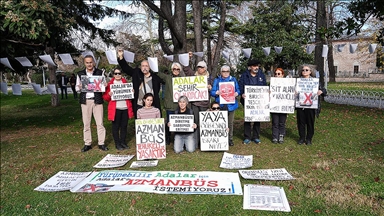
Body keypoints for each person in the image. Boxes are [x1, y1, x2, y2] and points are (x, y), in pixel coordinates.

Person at [117, 49, 162, 118]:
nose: (144, 68)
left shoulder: (155, 77)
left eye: (146, 66)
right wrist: (121, 57)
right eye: (143, 66)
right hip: (139, 104)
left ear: (149, 67)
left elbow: (159, 87)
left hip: (152, 105)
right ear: (140, 67)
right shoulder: (136, 73)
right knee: (140, 124)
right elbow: (126, 68)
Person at [76, 55, 108, 152]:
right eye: (87, 62)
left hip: (97, 100)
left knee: (100, 123)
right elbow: (77, 89)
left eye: (91, 62)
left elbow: (104, 86)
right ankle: (87, 143)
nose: (89, 64)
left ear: (93, 62)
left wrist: (105, 86)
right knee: (86, 123)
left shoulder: (99, 72)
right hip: (85, 101)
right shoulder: (80, 74)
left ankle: (101, 143)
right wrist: (80, 87)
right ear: (84, 63)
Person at [183, 54, 213, 148]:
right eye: (198, 67)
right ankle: (196, 142)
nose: (200, 69)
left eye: (202, 67)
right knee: (195, 123)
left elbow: (213, 88)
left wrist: (210, 87)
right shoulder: (193, 75)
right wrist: (188, 58)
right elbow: (186, 69)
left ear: (205, 68)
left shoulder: (209, 78)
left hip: (204, 104)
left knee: (204, 123)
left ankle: (204, 142)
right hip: (195, 103)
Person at [103, 68, 134, 150]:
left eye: (119, 73)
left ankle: (123, 142)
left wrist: (131, 93)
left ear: (121, 74)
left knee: (124, 126)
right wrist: (109, 94)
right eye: (115, 73)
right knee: (115, 127)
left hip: (125, 108)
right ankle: (117, 143)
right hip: (116, 108)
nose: (117, 75)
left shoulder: (125, 83)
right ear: (113, 74)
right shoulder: (110, 85)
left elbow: (130, 98)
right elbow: (105, 98)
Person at [296, 64, 327, 145]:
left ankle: (309, 138)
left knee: (310, 123)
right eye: (303, 70)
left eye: (307, 70)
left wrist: (321, 91)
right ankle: (302, 138)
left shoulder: (315, 81)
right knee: (301, 122)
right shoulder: (298, 81)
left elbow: (324, 90)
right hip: (301, 105)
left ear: (310, 72)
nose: (304, 71)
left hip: (311, 106)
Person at [210, 65, 241, 146]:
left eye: (227, 71)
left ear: (229, 72)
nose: (226, 73)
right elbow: (212, 92)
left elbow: (238, 90)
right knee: (220, 122)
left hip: (231, 104)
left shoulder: (233, 79)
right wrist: (216, 93)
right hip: (220, 104)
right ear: (221, 72)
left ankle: (230, 139)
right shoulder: (217, 80)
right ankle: (220, 139)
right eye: (224, 71)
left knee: (230, 123)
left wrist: (236, 93)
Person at [239, 59, 267, 145]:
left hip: (259, 101)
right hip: (247, 101)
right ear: (250, 67)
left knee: (257, 118)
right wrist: (242, 93)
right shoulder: (244, 75)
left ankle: (256, 136)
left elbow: (265, 86)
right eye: (254, 66)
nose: (256, 67)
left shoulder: (261, 75)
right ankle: (247, 137)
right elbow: (240, 86)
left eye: (257, 66)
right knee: (248, 118)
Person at [157, 63, 185, 145]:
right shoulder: (167, 77)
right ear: (171, 70)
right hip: (169, 104)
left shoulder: (183, 79)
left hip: (179, 105)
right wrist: (152, 65)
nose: (176, 71)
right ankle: (167, 138)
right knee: (169, 122)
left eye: (178, 69)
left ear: (180, 70)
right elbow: (158, 73)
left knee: (179, 123)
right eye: (174, 69)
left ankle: (178, 138)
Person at [271, 68, 288, 144]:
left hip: (284, 105)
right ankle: (275, 136)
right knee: (275, 122)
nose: (277, 75)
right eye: (276, 74)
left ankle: (281, 135)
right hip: (274, 105)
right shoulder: (272, 84)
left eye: (279, 74)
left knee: (282, 122)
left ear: (282, 75)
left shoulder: (287, 84)